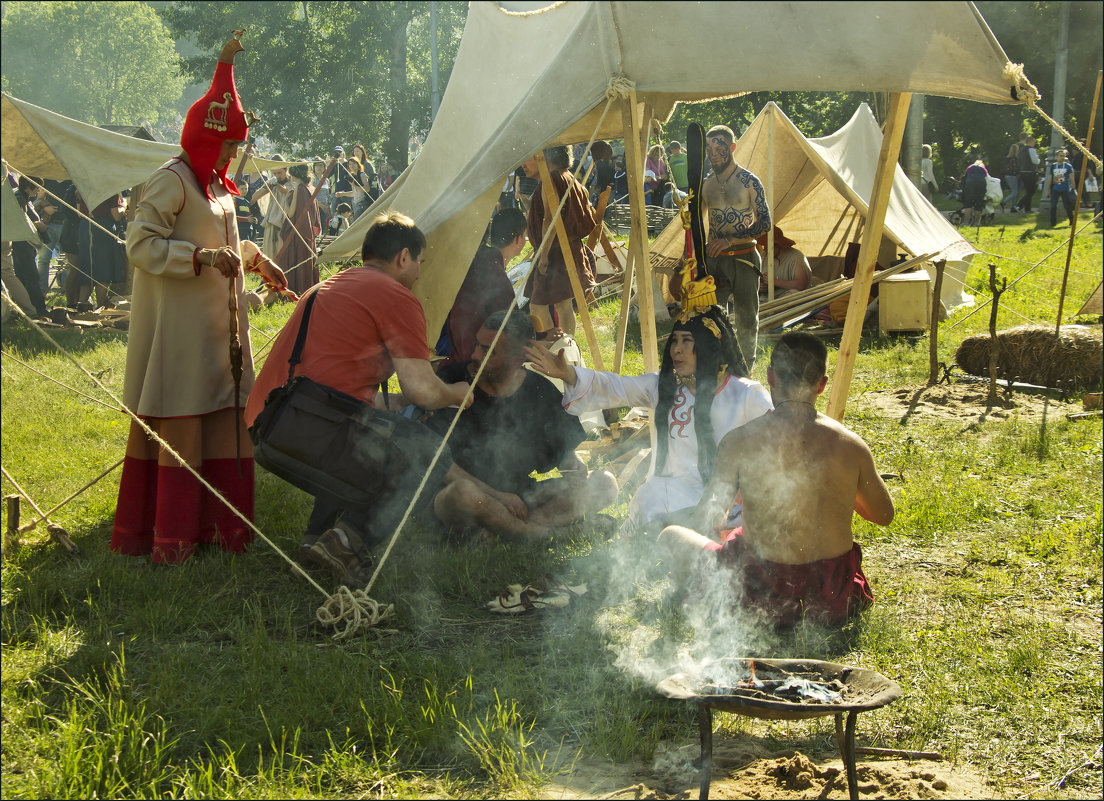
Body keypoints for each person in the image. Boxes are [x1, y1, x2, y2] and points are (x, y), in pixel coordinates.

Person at [244, 212, 524, 582]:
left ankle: (315, 544)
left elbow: (337, 391)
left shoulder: (326, 287)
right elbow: (423, 391)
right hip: (310, 428)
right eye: (420, 262)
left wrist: (394, 405)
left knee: (369, 440)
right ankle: (349, 541)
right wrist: (456, 394)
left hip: (268, 427)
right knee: (425, 450)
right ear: (403, 257)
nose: (419, 272)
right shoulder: (395, 295)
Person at [111, 31, 287, 565]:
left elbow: (219, 241)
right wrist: (200, 260)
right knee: (185, 417)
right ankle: (172, 536)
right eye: (231, 146)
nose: (236, 155)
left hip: (220, 333)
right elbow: (140, 243)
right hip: (181, 333)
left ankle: (219, 529)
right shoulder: (173, 181)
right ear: (210, 141)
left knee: (222, 416)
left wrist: (253, 257)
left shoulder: (213, 187)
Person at [657, 332, 894, 627]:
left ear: (770, 376)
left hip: (762, 592)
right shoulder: (851, 445)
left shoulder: (739, 442)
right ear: (822, 384)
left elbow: (707, 516)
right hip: (833, 596)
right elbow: (883, 515)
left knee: (671, 537)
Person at [526, 304, 772, 537]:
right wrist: (568, 373)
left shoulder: (749, 395)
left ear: (709, 346)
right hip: (675, 491)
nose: (676, 349)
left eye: (687, 341)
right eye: (674, 341)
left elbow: (778, 449)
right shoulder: (665, 387)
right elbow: (617, 386)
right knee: (649, 498)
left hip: (728, 499)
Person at [420, 311, 618, 541]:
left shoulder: (539, 391)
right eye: (477, 344)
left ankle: (500, 532)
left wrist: (575, 472)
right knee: (464, 494)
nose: (474, 355)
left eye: (487, 351)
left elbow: (566, 458)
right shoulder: (452, 380)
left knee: (604, 483)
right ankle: (547, 536)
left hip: (521, 497)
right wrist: (499, 497)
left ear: (517, 358)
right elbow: (439, 464)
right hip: (465, 495)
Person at [702, 124, 771, 370]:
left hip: (744, 258)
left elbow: (765, 222)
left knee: (746, 319)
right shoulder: (706, 185)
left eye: (719, 147)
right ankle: (717, 368)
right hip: (714, 261)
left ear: (732, 147)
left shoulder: (749, 181)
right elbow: (695, 224)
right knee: (710, 316)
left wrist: (730, 240)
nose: (713, 153)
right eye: (709, 148)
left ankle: (744, 371)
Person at [523, 147, 598, 336]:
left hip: (556, 252)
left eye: (530, 157)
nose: (524, 163)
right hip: (565, 250)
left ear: (545, 156)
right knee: (562, 305)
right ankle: (565, 347)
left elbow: (551, 218)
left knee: (537, 305)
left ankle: (556, 347)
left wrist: (544, 256)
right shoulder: (569, 178)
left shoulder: (553, 179)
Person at [439, 207, 526, 368]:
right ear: (518, 239)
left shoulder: (482, 259)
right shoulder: (493, 270)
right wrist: (540, 337)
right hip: (473, 360)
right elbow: (512, 325)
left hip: (459, 347)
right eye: (524, 237)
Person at [274, 163, 322, 298]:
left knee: (296, 259)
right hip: (307, 233)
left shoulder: (300, 189)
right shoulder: (309, 188)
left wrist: (288, 199)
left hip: (298, 233)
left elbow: (291, 213)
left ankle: (297, 289)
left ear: (295, 174)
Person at [254, 155, 297, 266]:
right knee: (270, 254)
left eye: (279, 173)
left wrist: (284, 190)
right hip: (271, 221)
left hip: (287, 223)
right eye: (275, 173)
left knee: (284, 254)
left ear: (286, 169)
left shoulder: (294, 182)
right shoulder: (272, 181)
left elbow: (292, 194)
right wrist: (267, 187)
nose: (277, 176)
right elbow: (255, 197)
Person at [756, 226, 811, 298]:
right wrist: (760, 286)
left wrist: (776, 282)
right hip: (765, 300)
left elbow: (801, 285)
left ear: (779, 245)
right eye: (764, 246)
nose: (765, 249)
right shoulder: (764, 256)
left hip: (785, 301)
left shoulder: (796, 257)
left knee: (794, 294)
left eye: (767, 246)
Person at [1048, 149, 1077, 227]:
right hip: (1055, 189)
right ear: (1056, 157)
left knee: (1067, 206)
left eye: (1063, 156)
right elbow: (1050, 178)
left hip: (1065, 189)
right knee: (1053, 206)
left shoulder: (1068, 166)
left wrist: (1074, 187)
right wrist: (1048, 190)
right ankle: (1053, 223)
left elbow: (1071, 177)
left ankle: (1071, 220)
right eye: (1060, 156)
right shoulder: (1053, 166)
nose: (1062, 157)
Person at [961, 157, 989, 226]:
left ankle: (966, 222)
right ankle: (977, 223)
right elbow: (987, 177)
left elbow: (965, 177)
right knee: (979, 203)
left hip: (970, 184)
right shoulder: (983, 168)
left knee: (968, 203)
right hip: (981, 184)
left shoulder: (970, 167)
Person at [1015, 134, 1040, 212]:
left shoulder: (1021, 150)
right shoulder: (1031, 149)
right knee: (1032, 191)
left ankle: (1026, 208)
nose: (1034, 143)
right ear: (1031, 142)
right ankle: (1019, 205)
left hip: (1022, 172)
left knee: (1028, 191)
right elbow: (1035, 161)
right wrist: (1039, 159)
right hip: (1030, 172)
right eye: (1034, 142)